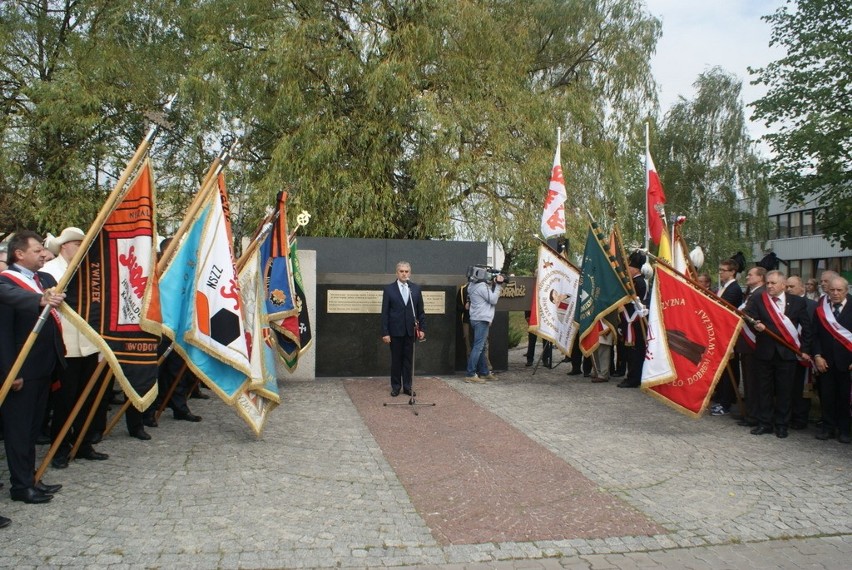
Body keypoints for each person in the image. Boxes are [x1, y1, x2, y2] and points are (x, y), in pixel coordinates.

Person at [0, 231, 66, 504]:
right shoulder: (7, 282)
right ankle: (21, 486)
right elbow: (3, 334)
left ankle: (30, 479)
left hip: (42, 367)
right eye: (37, 250)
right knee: (18, 431)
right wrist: (8, 372)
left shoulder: (41, 280)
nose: (43, 254)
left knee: (32, 429)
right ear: (19, 254)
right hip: (21, 372)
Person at [42, 227, 110, 468]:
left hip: (89, 346)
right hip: (65, 348)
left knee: (87, 398)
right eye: (76, 244)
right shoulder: (48, 272)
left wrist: (102, 347)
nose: (81, 249)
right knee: (64, 401)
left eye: (83, 245)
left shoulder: (90, 273)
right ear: (63, 247)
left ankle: (82, 444)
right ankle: (59, 448)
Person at [745, 269, 812, 439]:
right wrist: (756, 324)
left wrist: (805, 350)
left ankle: (782, 424)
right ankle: (765, 423)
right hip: (764, 352)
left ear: (783, 285)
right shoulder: (759, 299)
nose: (769, 286)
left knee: (785, 391)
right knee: (764, 389)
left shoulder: (797, 302)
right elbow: (748, 315)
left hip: (787, 354)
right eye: (767, 283)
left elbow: (806, 328)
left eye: (773, 283)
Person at [812, 276, 852, 443]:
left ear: (846, 291)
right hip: (825, 362)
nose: (835, 293)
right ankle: (827, 428)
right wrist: (817, 355)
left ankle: (845, 430)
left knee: (845, 398)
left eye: (839, 290)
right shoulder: (821, 309)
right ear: (827, 291)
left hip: (847, 362)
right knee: (827, 396)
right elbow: (815, 335)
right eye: (832, 290)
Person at [381, 261, 426, 397]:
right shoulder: (389, 289)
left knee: (408, 361)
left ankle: (407, 386)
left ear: (410, 273)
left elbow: (421, 311)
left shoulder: (415, 289)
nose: (404, 273)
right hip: (395, 331)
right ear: (397, 273)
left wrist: (422, 328)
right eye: (401, 271)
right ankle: (396, 386)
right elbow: (385, 313)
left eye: (406, 271)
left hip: (410, 331)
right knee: (396, 361)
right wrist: (385, 332)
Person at [709, 259, 745, 416]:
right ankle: (722, 397)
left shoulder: (734, 289)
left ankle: (727, 400)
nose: (721, 272)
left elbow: (722, 307)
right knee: (723, 368)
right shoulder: (723, 287)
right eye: (720, 270)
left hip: (728, 333)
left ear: (732, 272)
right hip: (721, 332)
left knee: (730, 367)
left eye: (724, 270)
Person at [735, 266, 766, 427]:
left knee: (753, 381)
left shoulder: (760, 294)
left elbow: (748, 314)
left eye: (750, 275)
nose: (747, 277)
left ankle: (753, 415)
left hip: (753, 344)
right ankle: (750, 412)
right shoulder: (752, 293)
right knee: (749, 381)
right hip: (747, 345)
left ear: (761, 277)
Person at [786, 275, 817, 429]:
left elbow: (812, 329)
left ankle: (800, 418)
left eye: (792, 286)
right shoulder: (785, 303)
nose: (789, 289)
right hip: (789, 352)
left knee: (802, 387)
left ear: (801, 287)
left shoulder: (812, 305)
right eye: (787, 286)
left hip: (805, 352)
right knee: (789, 385)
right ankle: (788, 415)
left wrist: (807, 350)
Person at [465, 270, 504, 383]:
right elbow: (493, 300)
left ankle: (484, 372)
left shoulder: (471, 285)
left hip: (476, 318)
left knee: (480, 347)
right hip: (482, 319)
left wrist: (492, 284)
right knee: (478, 347)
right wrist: (498, 286)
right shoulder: (482, 286)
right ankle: (470, 374)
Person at [618, 251, 648, 388]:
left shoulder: (638, 282)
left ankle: (634, 378)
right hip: (631, 320)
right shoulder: (635, 281)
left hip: (635, 321)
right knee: (631, 352)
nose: (627, 270)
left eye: (629, 267)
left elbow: (634, 300)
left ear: (634, 268)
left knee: (635, 351)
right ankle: (631, 376)